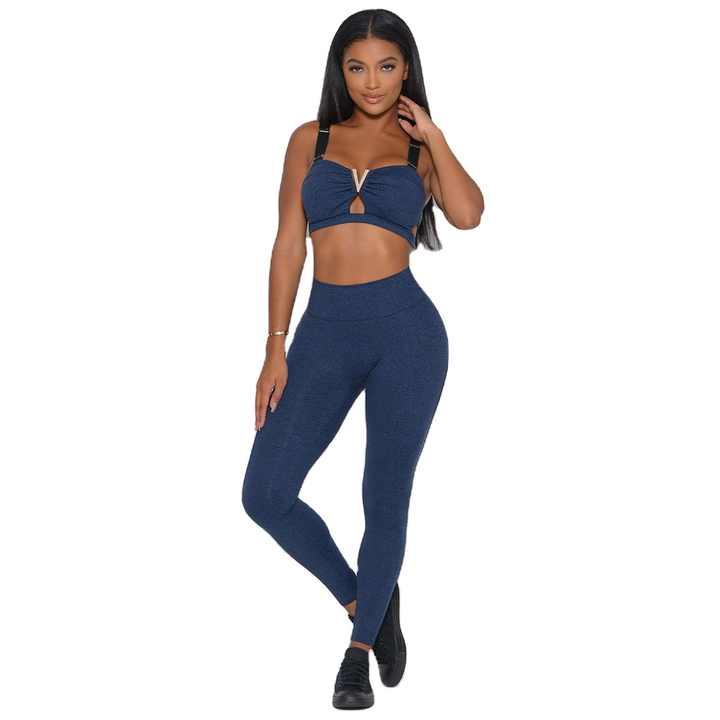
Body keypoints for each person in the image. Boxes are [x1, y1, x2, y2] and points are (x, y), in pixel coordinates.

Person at [241, 9, 484, 710]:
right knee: (265, 493)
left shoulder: (418, 146)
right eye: (357, 67)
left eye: (386, 66)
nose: (372, 81)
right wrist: (274, 345)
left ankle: (356, 655)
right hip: (322, 333)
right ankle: (367, 601)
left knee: (384, 495)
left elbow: (468, 215)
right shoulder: (310, 139)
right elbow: (288, 244)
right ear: (339, 71)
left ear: (406, 70)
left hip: (407, 334)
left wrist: (435, 136)